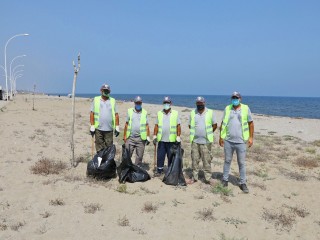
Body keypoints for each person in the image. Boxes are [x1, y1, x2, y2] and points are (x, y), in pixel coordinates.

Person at [219, 91, 254, 193]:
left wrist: (251, 138)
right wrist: (221, 137)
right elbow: (223, 123)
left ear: (240, 98)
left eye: (236, 97)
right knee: (227, 161)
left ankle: (243, 183)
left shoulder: (246, 108)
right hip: (228, 141)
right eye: (233, 98)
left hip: (241, 141)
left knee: (241, 163)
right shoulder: (227, 108)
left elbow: (251, 123)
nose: (235, 99)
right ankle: (225, 180)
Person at [188, 96, 217, 183]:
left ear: (204, 103)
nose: (199, 104)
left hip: (206, 141)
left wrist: (209, 133)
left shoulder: (210, 112)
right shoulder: (193, 113)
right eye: (198, 103)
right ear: (196, 104)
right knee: (194, 160)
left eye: (201, 103)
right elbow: (190, 125)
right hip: (195, 141)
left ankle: (208, 178)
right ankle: (194, 177)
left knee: (206, 160)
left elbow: (215, 125)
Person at [90, 84, 120, 166]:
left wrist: (117, 126)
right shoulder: (95, 100)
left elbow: (116, 115)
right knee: (99, 148)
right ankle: (100, 164)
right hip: (98, 129)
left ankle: (107, 165)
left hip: (109, 130)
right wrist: (92, 125)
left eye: (107, 91)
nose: (106, 92)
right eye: (104, 90)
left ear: (109, 92)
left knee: (109, 148)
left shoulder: (113, 101)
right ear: (101, 91)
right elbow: (92, 113)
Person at [153, 96, 181, 176]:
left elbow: (178, 126)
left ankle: (170, 170)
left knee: (170, 156)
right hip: (161, 139)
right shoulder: (159, 113)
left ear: (170, 103)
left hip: (171, 140)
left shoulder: (175, 113)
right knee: (160, 156)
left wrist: (178, 136)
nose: (166, 104)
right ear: (163, 103)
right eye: (165, 103)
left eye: (167, 103)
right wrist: (154, 135)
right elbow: (156, 126)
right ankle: (159, 170)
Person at [123, 96, 151, 166]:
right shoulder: (130, 111)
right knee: (127, 155)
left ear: (141, 103)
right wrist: (124, 136)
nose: (138, 104)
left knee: (139, 156)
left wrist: (148, 136)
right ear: (134, 103)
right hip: (130, 138)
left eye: (139, 103)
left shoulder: (144, 112)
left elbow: (147, 125)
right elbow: (126, 124)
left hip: (141, 139)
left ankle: (136, 169)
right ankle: (127, 168)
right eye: (137, 103)